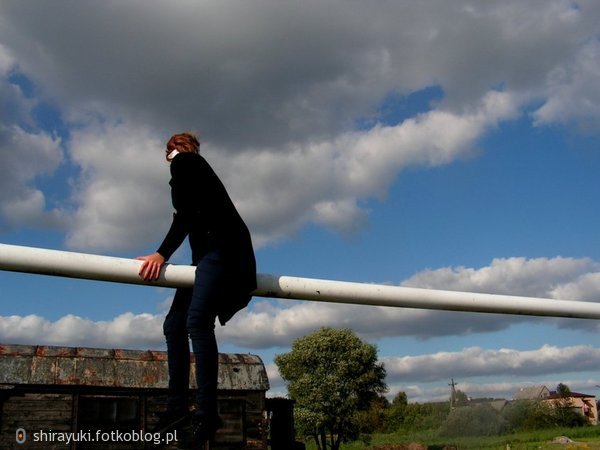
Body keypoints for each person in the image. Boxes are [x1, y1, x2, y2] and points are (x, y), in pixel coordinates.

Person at [137, 132, 256, 449]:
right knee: (174, 324)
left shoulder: (184, 163)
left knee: (196, 322)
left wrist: (161, 253)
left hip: (223, 251)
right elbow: (191, 216)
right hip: (210, 256)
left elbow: (186, 215)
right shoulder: (197, 166)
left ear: (169, 152)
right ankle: (176, 408)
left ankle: (206, 414)